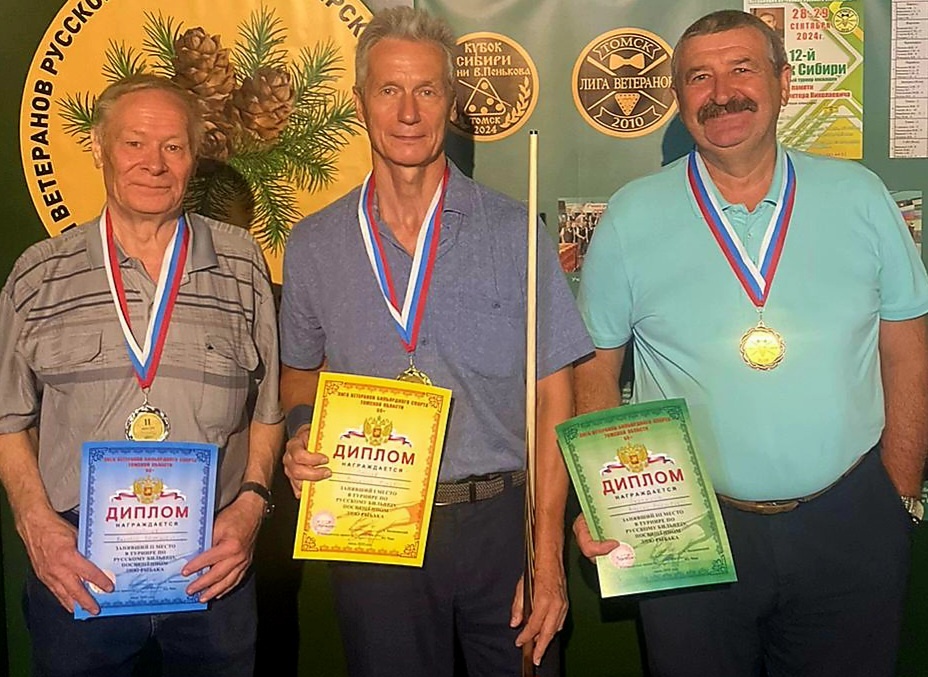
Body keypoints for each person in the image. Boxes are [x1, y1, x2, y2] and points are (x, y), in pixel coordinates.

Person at [574, 9, 928, 677]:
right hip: (684, 524)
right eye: (698, 77)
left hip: (849, 519)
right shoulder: (631, 215)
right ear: (679, 99)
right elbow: (596, 365)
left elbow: (907, 348)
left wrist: (899, 494)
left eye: (742, 69)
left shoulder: (859, 196)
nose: (722, 93)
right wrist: (608, 497)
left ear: (784, 83)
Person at [278, 6, 592, 676]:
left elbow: (554, 397)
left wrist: (545, 555)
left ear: (451, 102)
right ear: (360, 102)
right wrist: (301, 427)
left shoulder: (515, 233)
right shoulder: (313, 244)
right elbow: (298, 373)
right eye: (389, 90)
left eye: (426, 90)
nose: (408, 112)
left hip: (501, 522)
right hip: (370, 522)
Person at [0, 74, 284, 676]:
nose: (154, 163)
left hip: (213, 567)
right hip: (78, 568)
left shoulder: (241, 264)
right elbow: (7, 420)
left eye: (173, 147)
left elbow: (269, 411)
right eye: (133, 143)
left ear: (193, 157)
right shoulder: (39, 275)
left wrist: (252, 505)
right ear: (99, 149)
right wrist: (35, 524)